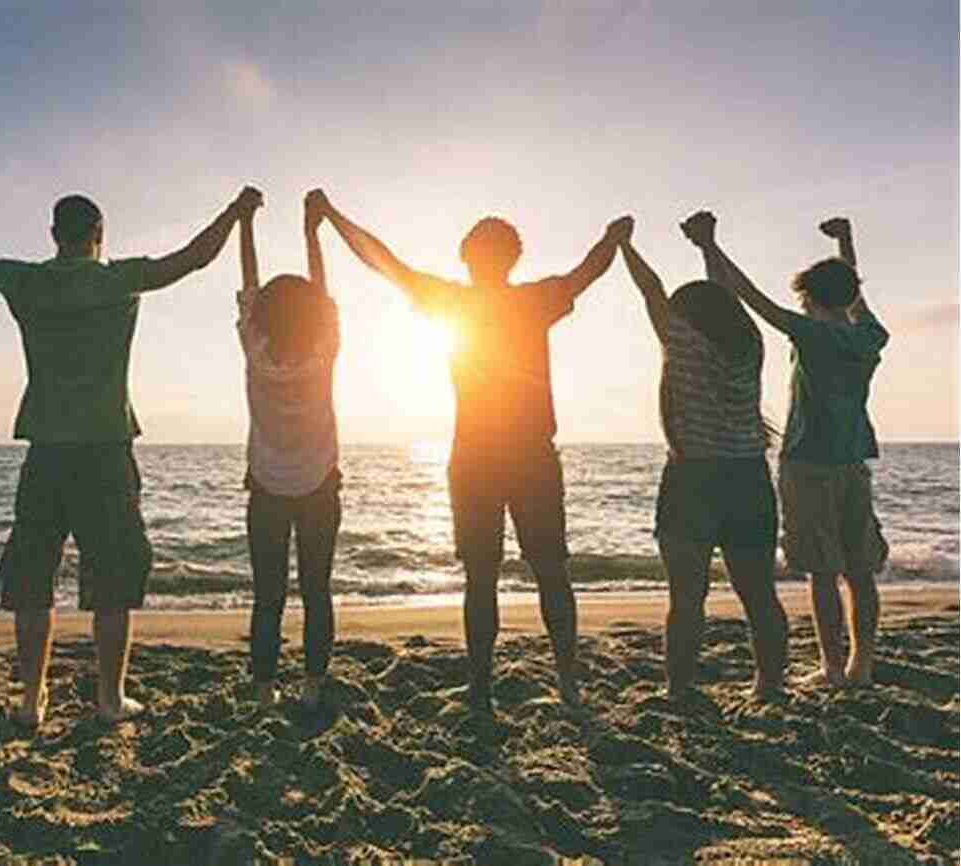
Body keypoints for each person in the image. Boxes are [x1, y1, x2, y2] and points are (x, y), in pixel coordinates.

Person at [0, 168, 262, 725]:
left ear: (53, 233)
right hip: (106, 449)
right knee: (113, 574)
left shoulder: (30, 281)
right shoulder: (118, 280)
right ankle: (109, 697)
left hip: (47, 450)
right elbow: (194, 258)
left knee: (34, 573)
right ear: (99, 233)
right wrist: (236, 213)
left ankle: (33, 698)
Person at [317, 193, 630, 709]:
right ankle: (566, 683)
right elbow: (589, 271)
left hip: (479, 457)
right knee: (550, 568)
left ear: (467, 256)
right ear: (512, 258)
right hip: (528, 454)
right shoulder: (532, 299)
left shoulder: (455, 302)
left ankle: (483, 689)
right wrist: (614, 237)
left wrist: (332, 217)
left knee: (482, 575)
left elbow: (384, 261)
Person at [688, 211, 889, 688]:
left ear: (809, 300)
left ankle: (832, 669)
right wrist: (846, 243)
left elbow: (749, 297)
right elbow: (854, 296)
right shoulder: (868, 336)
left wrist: (709, 245)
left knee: (822, 572)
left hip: (808, 462)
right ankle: (862, 666)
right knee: (860, 572)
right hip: (853, 464)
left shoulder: (811, 333)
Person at [617, 213, 789, 701]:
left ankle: (678, 689)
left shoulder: (682, 341)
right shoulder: (751, 345)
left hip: (693, 479)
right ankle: (769, 685)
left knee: (687, 599)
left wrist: (625, 247)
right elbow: (726, 294)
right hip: (749, 479)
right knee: (759, 595)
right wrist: (708, 245)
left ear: (685, 315)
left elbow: (650, 290)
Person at [236, 189, 343, 710]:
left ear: (263, 316)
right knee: (316, 590)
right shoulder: (324, 350)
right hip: (321, 484)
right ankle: (313, 685)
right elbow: (321, 291)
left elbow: (249, 284)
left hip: (266, 488)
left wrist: (244, 222)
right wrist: (312, 230)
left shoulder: (255, 348)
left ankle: (262, 688)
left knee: (268, 595)